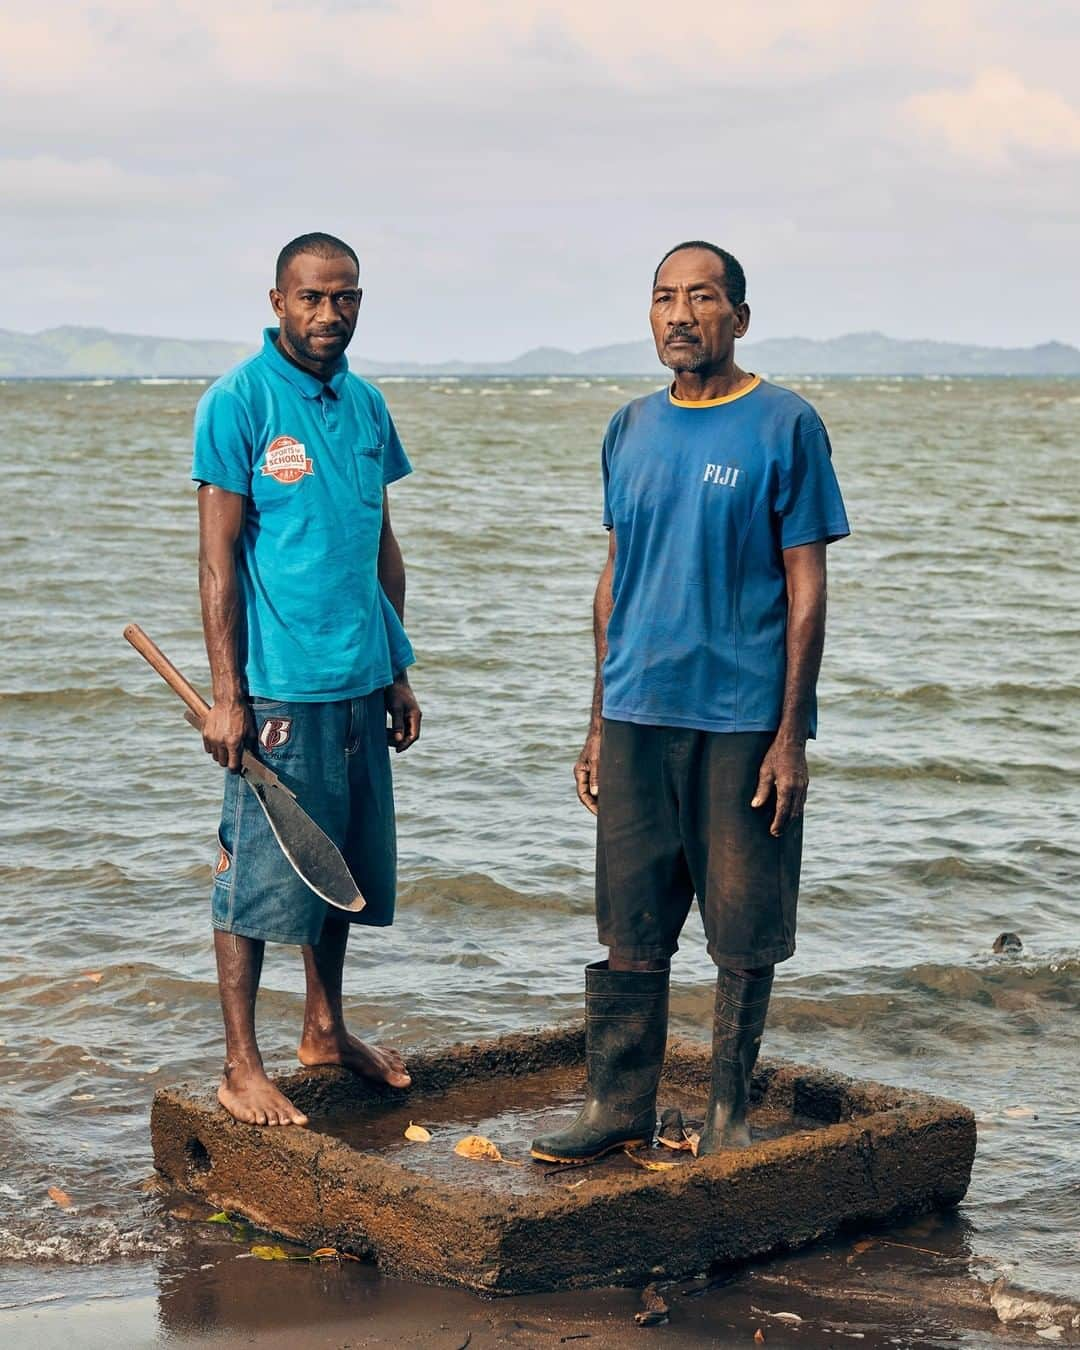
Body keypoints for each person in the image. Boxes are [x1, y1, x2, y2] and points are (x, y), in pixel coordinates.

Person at [532, 241, 850, 1163]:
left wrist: (791, 734)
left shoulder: (785, 424)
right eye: (664, 298)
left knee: (744, 929)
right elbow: (615, 576)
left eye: (701, 298)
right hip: (637, 713)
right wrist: (595, 720)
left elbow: (807, 587)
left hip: (743, 718)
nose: (679, 315)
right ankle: (619, 1104)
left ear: (739, 318)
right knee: (630, 922)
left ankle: (727, 1117)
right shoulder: (629, 426)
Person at [192, 232, 421, 1127]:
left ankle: (324, 1030)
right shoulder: (238, 401)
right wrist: (226, 695)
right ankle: (240, 1064)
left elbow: (380, 543)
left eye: (346, 297)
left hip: (363, 682)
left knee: (342, 870)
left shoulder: (365, 406)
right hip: (280, 693)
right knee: (254, 877)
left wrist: (398, 667)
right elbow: (217, 566)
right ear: (279, 300)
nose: (331, 314)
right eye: (313, 298)